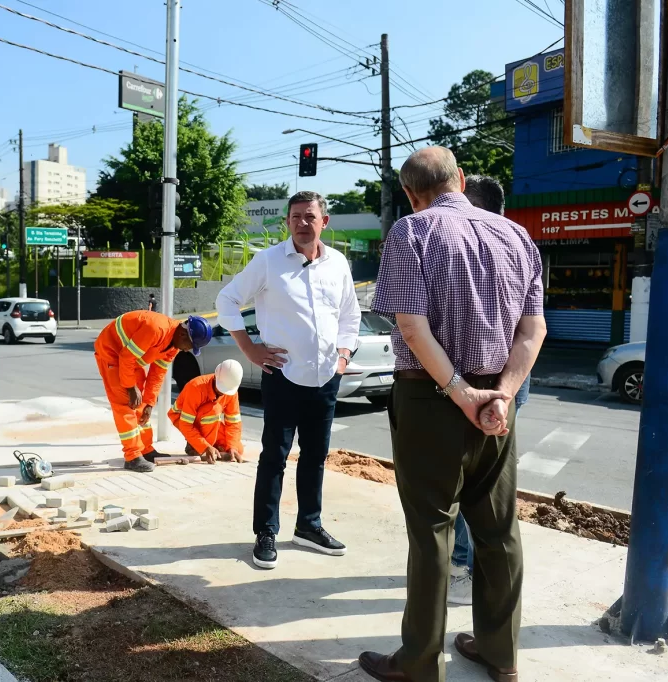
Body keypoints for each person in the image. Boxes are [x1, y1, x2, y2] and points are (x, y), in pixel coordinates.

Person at [359, 147, 546, 682]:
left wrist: (461, 393)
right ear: (460, 179)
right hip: (497, 404)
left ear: (411, 195)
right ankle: (501, 654)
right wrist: (503, 394)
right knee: (499, 531)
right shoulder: (515, 235)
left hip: (431, 398)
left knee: (432, 532)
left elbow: (413, 329)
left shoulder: (411, 232)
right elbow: (533, 331)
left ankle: (419, 664)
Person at [216, 190, 361, 569]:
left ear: (324, 222)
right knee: (275, 457)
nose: (301, 223)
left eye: (309, 216)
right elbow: (227, 300)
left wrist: (344, 355)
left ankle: (308, 526)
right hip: (282, 376)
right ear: (288, 222)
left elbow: (350, 314)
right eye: (295, 216)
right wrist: (249, 350)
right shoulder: (267, 262)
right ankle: (266, 531)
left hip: (326, 377)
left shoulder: (338, 264)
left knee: (315, 456)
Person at [448, 174, 533, 606]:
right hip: (513, 382)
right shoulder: (521, 242)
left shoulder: (470, 246)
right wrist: (507, 392)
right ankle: (486, 575)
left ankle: (463, 566)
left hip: (478, 384)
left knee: (468, 481)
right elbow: (531, 329)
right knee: (495, 487)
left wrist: (478, 392)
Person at [94, 311, 212, 473]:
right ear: (183, 334)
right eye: (190, 346)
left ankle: (145, 449)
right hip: (111, 353)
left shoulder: (174, 345)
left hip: (129, 359)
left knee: (141, 404)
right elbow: (126, 357)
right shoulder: (156, 329)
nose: (187, 350)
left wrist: (149, 402)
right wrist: (130, 387)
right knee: (125, 403)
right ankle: (132, 457)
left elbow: (158, 373)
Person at [168, 359, 246, 463]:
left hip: (208, 422)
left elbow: (234, 423)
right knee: (213, 409)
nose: (223, 393)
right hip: (182, 419)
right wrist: (204, 446)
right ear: (215, 377)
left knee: (238, 448)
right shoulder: (196, 387)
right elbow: (186, 424)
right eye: (221, 389)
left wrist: (233, 447)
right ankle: (197, 446)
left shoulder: (231, 391)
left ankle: (209, 447)